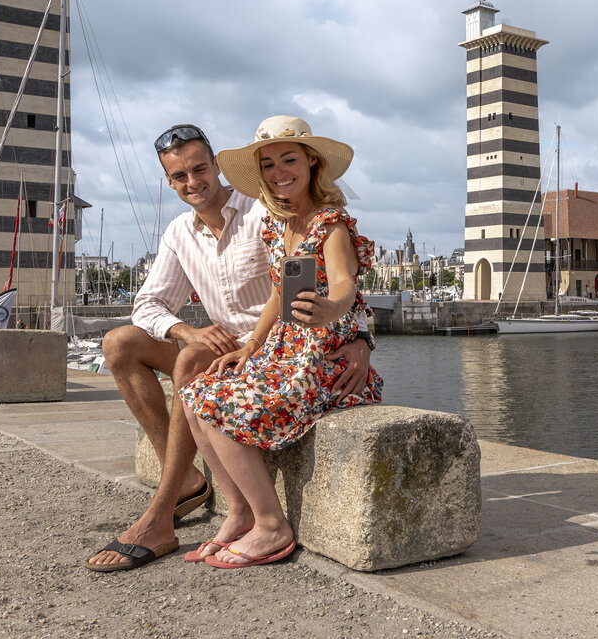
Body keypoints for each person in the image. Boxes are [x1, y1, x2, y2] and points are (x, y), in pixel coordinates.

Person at [85, 123, 373, 572]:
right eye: (179, 176)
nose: (192, 182)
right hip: (252, 344)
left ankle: (165, 511)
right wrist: (188, 330)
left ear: (216, 166)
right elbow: (149, 303)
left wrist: (360, 338)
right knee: (122, 342)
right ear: (169, 182)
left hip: (285, 348)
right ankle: (187, 484)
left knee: (196, 364)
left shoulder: (268, 211)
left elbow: (340, 283)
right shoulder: (182, 231)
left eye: (199, 169)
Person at [177, 115, 382, 568]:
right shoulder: (277, 223)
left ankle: (271, 525)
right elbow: (278, 292)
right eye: (267, 164)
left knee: (216, 404)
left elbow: (345, 282)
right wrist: (252, 345)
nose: (278, 172)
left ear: (311, 161)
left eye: (288, 159)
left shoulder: (331, 225)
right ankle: (240, 511)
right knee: (195, 396)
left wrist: (331, 308)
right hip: (284, 350)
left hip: (320, 359)